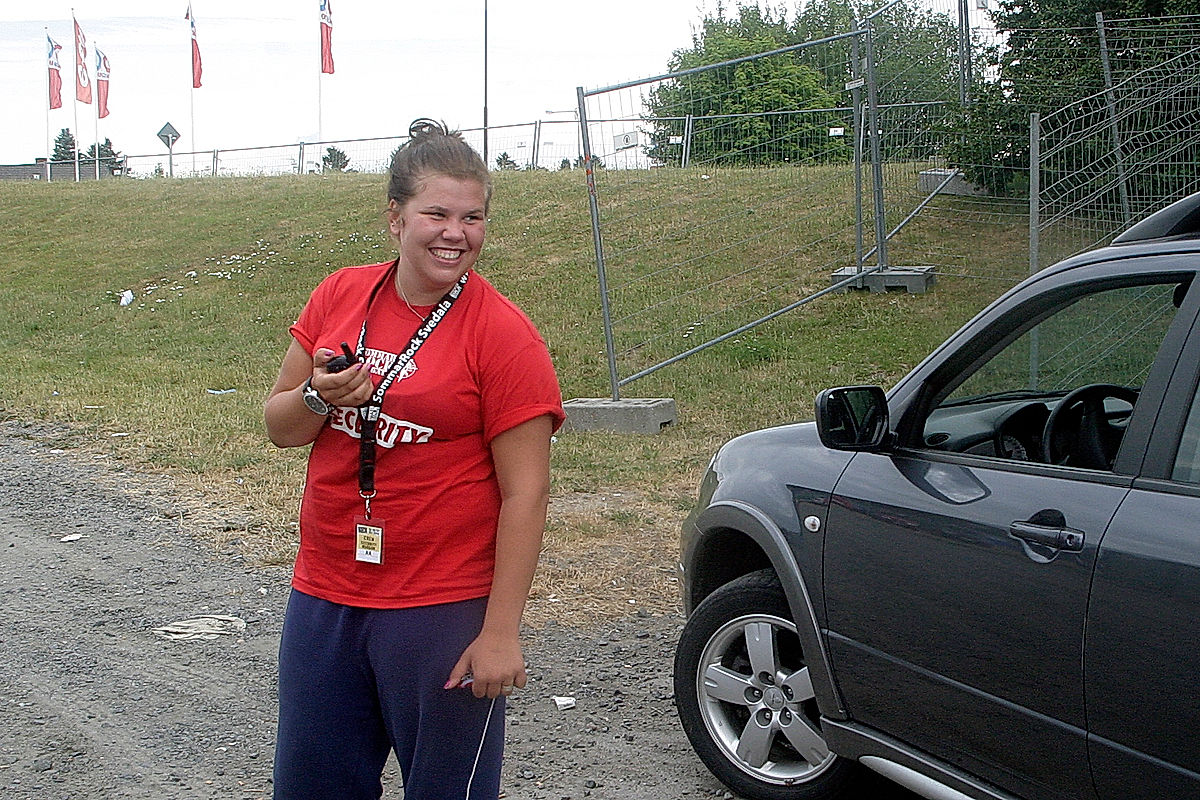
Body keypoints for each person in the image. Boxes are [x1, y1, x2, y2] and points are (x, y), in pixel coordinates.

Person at [263, 118, 565, 800]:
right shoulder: (341, 294)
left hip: (440, 607)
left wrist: (500, 633)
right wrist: (318, 394)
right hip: (326, 593)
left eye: (473, 216)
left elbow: (528, 494)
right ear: (395, 219)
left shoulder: (504, 336)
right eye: (436, 213)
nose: (455, 232)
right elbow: (281, 426)